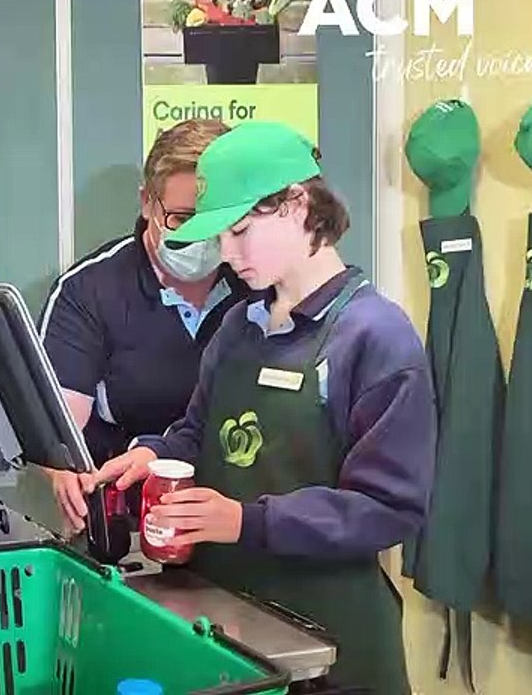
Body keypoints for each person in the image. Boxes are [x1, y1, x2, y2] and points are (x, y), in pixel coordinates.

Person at [82, 121, 437, 694]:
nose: (226, 252)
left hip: (329, 645)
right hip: (226, 625)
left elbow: (388, 508)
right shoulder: (239, 327)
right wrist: (153, 456)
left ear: (298, 205)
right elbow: (198, 433)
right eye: (221, 234)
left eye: (241, 231)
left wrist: (248, 521)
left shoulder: (376, 340)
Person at [39, 119, 248, 534]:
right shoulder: (92, 290)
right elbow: (58, 429)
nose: (202, 236)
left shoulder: (258, 280)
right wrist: (65, 474)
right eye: (183, 218)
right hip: (133, 523)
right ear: (147, 203)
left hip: (240, 518)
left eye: (216, 219)